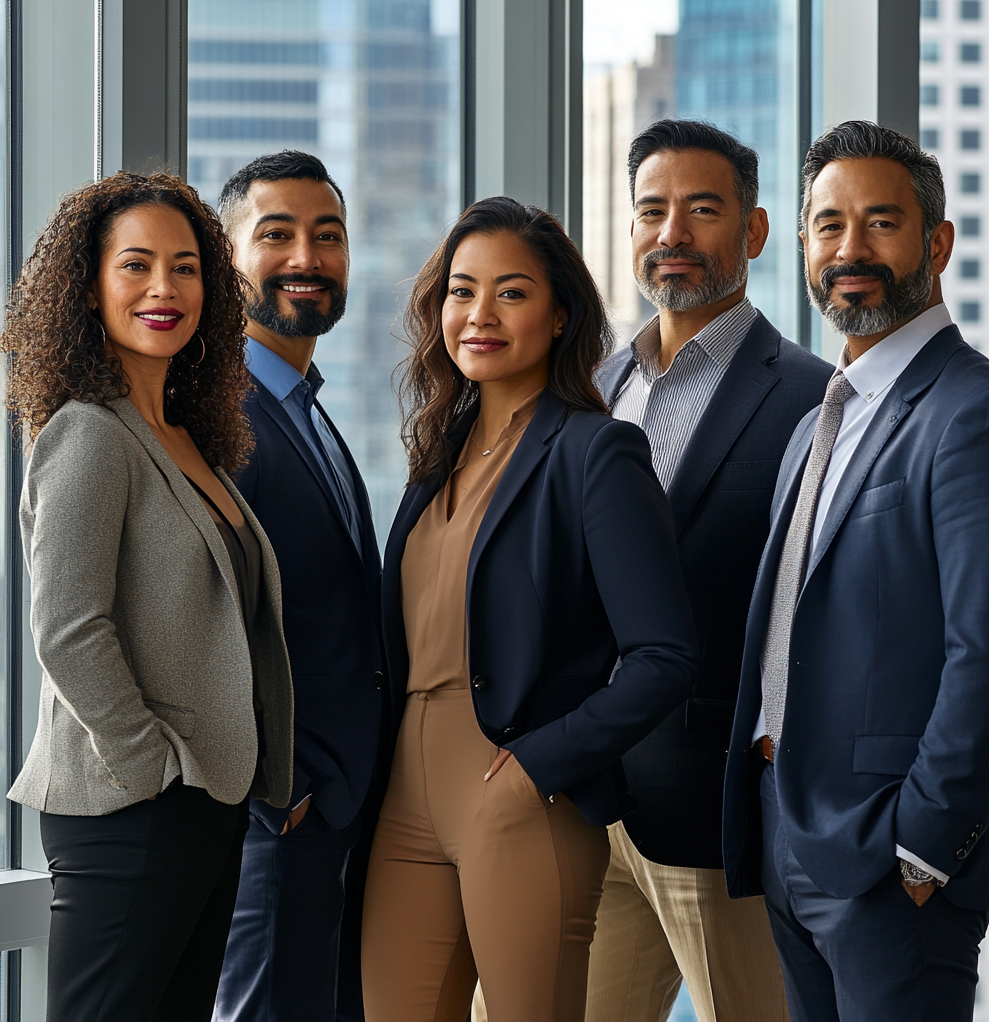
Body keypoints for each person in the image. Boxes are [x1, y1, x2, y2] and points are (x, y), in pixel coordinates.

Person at [360, 196, 699, 1022]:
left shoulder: (595, 451)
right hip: (403, 799)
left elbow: (666, 656)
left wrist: (537, 768)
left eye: (510, 293)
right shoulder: (433, 457)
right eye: (461, 291)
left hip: (518, 801)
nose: (479, 315)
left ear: (558, 317)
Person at [723, 120, 989, 1022]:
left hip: (893, 861)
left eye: (880, 224)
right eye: (828, 226)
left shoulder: (978, 416)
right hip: (790, 832)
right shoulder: (826, 414)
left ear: (936, 243)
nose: (849, 249)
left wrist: (923, 850)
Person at [2, 171, 293, 1022]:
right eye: (136, 266)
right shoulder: (86, 432)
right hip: (136, 807)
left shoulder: (183, 437)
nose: (164, 288)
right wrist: (151, 770)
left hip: (204, 802)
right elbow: (67, 627)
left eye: (186, 266)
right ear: (89, 290)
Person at [585, 119, 831, 1022]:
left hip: (719, 815)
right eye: (653, 210)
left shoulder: (810, 395)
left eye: (702, 210)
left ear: (756, 232)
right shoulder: (596, 384)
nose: (672, 233)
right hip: (584, 811)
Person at [212, 151, 384, 1022]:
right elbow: (201, 624)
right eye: (275, 235)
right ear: (226, 256)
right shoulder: (219, 419)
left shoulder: (304, 409)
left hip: (337, 817)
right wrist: (271, 790)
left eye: (328, 236)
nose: (306, 259)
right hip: (279, 817)